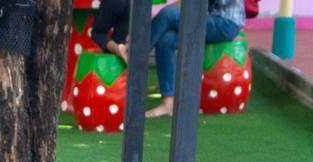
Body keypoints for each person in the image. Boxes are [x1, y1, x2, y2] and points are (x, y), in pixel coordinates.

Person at [88, 0, 246, 117]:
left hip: (225, 23)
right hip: (212, 19)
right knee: (166, 40)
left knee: (168, 15)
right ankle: (168, 102)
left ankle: (136, 57)